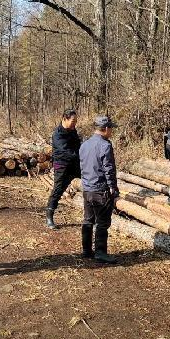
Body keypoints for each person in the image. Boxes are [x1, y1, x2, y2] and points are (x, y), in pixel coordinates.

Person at [78, 115, 119, 263]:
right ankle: (100, 252)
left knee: (88, 219)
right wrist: (113, 189)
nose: (111, 132)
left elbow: (82, 167)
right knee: (102, 222)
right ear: (106, 129)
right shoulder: (105, 146)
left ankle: (86, 250)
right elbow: (109, 169)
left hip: (87, 189)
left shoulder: (84, 145)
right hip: (100, 190)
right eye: (111, 129)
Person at [45, 109, 81, 229]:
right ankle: (49, 216)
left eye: (76, 121)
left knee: (89, 182)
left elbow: (78, 146)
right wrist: (81, 157)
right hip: (62, 165)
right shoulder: (57, 134)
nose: (74, 123)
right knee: (58, 189)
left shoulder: (73, 131)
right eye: (72, 121)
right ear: (64, 119)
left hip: (75, 164)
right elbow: (65, 151)